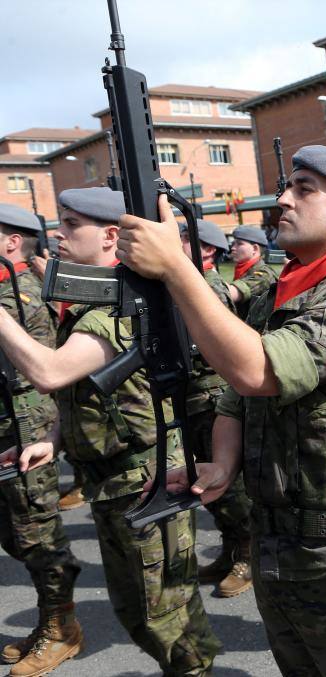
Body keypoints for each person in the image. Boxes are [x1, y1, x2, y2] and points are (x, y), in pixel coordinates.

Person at [116, 145, 326, 676]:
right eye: (287, 186)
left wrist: (174, 267)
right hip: (277, 539)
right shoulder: (277, 294)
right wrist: (222, 463)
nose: (282, 199)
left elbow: (258, 370)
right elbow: (238, 395)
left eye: (303, 190)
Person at [0, 188, 220, 675]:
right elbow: (80, 392)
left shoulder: (124, 305)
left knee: (169, 616)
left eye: (72, 223)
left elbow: (50, 373)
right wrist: (53, 439)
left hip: (144, 478)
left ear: (111, 236)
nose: (59, 233)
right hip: (111, 481)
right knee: (136, 611)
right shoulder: (92, 305)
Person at [0, 204, 82, 676]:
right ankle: (52, 618)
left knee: (37, 537)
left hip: (27, 426)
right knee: (15, 533)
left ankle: (61, 627)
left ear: (14, 243)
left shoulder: (21, 295)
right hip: (9, 427)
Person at [179, 218, 255, 597]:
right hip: (189, 399)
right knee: (205, 484)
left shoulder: (208, 289)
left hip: (210, 398)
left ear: (206, 250)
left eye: (181, 239)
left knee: (228, 485)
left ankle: (247, 551)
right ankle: (230, 547)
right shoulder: (183, 286)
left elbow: (214, 350)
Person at [227, 225, 278, 320]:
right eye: (233, 244)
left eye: (239, 244)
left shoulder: (264, 274)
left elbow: (229, 294)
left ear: (255, 249)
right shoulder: (244, 270)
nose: (233, 248)